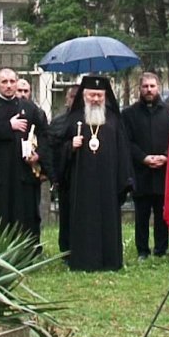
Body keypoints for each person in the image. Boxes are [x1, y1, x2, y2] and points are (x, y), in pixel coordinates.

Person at [60, 75, 133, 271]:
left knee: (108, 219)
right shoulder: (74, 118)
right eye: (92, 95)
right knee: (83, 219)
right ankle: (83, 261)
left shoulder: (113, 119)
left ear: (105, 96)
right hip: (81, 181)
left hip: (108, 182)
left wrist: (124, 179)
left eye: (99, 95)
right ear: (83, 95)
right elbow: (58, 146)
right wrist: (70, 147)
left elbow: (123, 149)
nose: (95, 99)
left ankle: (110, 261)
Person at [0, 68, 47, 246]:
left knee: (25, 215)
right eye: (4, 82)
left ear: (17, 83)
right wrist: (9, 126)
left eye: (12, 81)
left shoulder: (30, 108)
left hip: (23, 172)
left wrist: (38, 155)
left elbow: (45, 134)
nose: (8, 86)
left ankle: (28, 253)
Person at [121, 71, 169, 258]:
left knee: (162, 215)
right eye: (145, 86)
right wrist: (143, 158)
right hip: (141, 172)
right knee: (141, 215)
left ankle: (161, 249)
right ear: (140, 89)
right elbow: (127, 142)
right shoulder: (129, 114)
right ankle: (142, 250)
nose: (149, 90)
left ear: (158, 88)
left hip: (163, 171)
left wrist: (166, 157)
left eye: (152, 86)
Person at [44, 85, 79, 253]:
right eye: (72, 96)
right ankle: (67, 250)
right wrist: (69, 147)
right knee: (66, 215)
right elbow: (52, 151)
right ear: (66, 99)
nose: (75, 100)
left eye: (78, 97)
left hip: (87, 178)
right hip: (66, 177)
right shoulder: (58, 122)